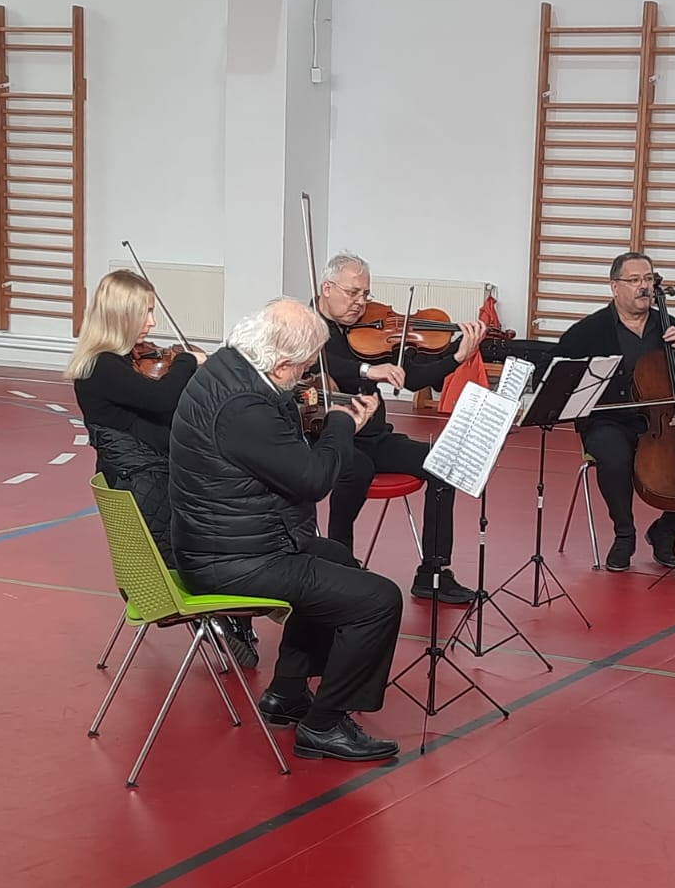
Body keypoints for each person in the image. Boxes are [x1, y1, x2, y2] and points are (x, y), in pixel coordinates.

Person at [168, 297, 403, 764]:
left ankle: (287, 693)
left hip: (225, 541)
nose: (305, 376)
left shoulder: (228, 365)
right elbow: (313, 480)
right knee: (379, 599)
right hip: (233, 560)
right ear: (278, 365)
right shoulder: (243, 408)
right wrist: (340, 423)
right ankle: (325, 725)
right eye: (303, 368)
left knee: (337, 559)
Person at [65, 270, 261, 669]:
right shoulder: (101, 366)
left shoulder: (121, 362)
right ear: (120, 315)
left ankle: (236, 616)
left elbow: (159, 419)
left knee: (234, 518)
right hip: (145, 485)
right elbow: (163, 401)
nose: (152, 323)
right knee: (231, 531)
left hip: (152, 473)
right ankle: (226, 617)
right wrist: (187, 360)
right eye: (145, 313)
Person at [311, 252, 489, 604]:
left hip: (374, 435)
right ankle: (339, 563)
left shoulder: (371, 328)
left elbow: (411, 378)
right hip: (332, 437)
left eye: (365, 294)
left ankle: (434, 573)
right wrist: (367, 370)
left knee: (442, 463)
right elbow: (326, 362)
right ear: (327, 288)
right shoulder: (307, 325)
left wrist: (457, 356)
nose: (360, 302)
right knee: (356, 470)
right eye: (352, 293)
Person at [555, 251, 675, 572]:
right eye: (634, 280)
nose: (643, 287)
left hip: (663, 420)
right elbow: (554, 372)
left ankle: (667, 531)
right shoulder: (589, 331)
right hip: (609, 419)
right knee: (615, 456)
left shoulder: (669, 326)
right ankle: (625, 534)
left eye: (648, 279)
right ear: (614, 286)